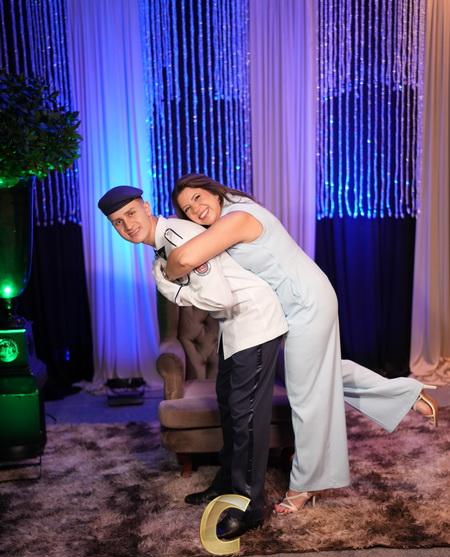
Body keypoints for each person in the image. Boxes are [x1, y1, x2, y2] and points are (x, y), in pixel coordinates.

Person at [165, 173, 439, 514]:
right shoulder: (232, 214)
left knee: (304, 394)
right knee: (319, 374)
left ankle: (305, 484)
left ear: (213, 192)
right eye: (187, 209)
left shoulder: (236, 218)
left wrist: (165, 270)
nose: (196, 209)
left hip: (306, 303)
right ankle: (407, 395)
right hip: (299, 303)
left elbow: (184, 258)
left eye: (198, 198)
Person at [98, 185, 288, 536]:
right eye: (117, 222)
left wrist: (176, 288)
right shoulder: (162, 250)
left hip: (255, 321)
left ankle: (250, 505)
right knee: (230, 408)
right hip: (234, 327)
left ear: (147, 208)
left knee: (246, 418)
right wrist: (173, 284)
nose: (127, 225)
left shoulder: (177, 236)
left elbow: (218, 298)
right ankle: (227, 483)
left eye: (131, 214)